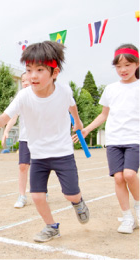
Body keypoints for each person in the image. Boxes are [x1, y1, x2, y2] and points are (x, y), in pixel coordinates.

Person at [0, 41, 89, 243]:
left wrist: (78, 123)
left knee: (70, 194)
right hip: (38, 155)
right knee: (37, 195)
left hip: (63, 152)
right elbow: (3, 120)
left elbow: (72, 107)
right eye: (28, 70)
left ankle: (78, 202)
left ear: (54, 72)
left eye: (39, 70)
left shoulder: (64, 91)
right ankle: (51, 227)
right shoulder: (23, 96)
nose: (32, 75)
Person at [73, 44, 139, 234]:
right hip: (114, 140)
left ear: (137, 64)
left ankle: (138, 208)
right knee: (118, 178)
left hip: (134, 139)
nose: (123, 70)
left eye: (127, 65)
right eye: (118, 66)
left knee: (129, 174)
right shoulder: (111, 89)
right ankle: (127, 217)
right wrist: (86, 130)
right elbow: (104, 115)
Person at [2, 72, 31, 208]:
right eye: (22, 81)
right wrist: (6, 131)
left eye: (27, 80)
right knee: (23, 166)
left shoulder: (42, 95)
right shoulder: (21, 97)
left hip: (41, 138)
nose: (25, 83)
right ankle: (22, 196)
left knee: (41, 166)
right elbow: (12, 117)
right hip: (25, 138)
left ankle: (43, 190)